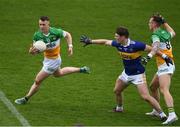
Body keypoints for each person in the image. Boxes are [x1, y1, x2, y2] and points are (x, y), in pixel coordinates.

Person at [80, 26, 169, 121]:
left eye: (117, 36)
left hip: (138, 75)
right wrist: (90, 41)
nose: (115, 38)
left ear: (123, 37)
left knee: (145, 97)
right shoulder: (118, 44)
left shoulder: (136, 45)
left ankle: (162, 115)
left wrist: (165, 56)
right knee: (117, 91)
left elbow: (153, 49)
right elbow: (105, 42)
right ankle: (119, 108)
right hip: (126, 74)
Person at [15, 16, 90, 104]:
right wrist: (31, 51)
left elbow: (68, 35)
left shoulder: (56, 32)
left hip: (53, 61)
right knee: (59, 74)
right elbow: (34, 50)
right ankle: (81, 69)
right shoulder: (37, 35)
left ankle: (26, 98)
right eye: (40, 24)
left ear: (48, 24)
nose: (41, 26)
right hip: (48, 59)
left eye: (43, 24)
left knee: (37, 81)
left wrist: (70, 46)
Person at [143, 13, 178, 125]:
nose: (149, 24)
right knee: (153, 87)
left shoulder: (155, 35)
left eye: (150, 22)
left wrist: (148, 56)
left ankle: (172, 114)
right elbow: (173, 33)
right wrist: (165, 22)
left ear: (154, 24)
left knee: (164, 89)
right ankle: (156, 110)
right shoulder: (164, 33)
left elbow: (155, 47)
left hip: (165, 65)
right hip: (166, 64)